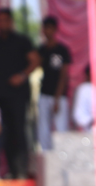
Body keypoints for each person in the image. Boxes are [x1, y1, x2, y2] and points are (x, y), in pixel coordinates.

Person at [0, 8, 38, 178]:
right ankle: (11, 170)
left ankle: (22, 169)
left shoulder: (22, 41)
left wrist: (22, 75)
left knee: (19, 131)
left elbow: (35, 60)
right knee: (4, 133)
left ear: (11, 22)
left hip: (19, 95)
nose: (3, 23)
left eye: (5, 20)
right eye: (0, 20)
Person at [37, 15, 72, 151]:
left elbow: (64, 75)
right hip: (44, 93)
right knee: (43, 128)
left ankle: (62, 154)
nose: (48, 31)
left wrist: (57, 98)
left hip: (59, 96)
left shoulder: (62, 50)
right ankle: (46, 156)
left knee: (61, 128)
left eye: (50, 28)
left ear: (55, 30)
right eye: (46, 28)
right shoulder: (41, 50)